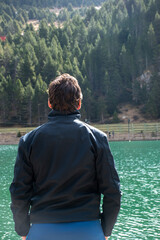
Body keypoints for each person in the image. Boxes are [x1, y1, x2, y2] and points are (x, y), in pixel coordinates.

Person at [10, 73, 121, 240]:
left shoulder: (29, 141)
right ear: (79, 103)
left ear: (49, 103)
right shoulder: (97, 138)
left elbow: (19, 192)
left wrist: (23, 230)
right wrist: (105, 230)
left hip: (42, 231)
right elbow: (113, 191)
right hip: (88, 230)